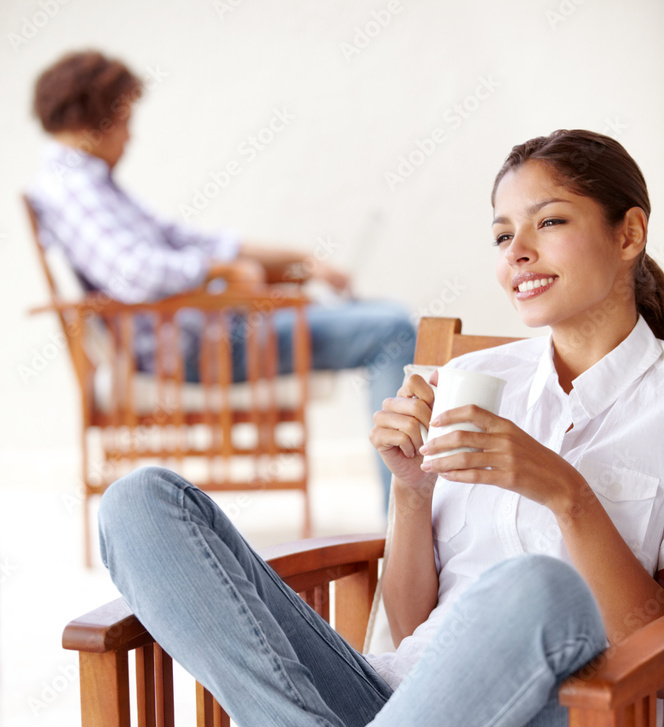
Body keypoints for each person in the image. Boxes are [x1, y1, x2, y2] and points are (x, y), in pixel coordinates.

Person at [89, 129, 664, 727]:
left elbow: (650, 637)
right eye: (502, 235)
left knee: (533, 587)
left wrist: (563, 492)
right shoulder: (474, 382)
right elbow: (407, 618)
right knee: (139, 503)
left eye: (548, 223)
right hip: (385, 717)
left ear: (629, 233)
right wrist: (409, 491)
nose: (518, 253)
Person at [27, 50, 416, 503]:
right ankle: (403, 518)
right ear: (100, 116)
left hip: (210, 331)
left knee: (384, 315)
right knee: (391, 330)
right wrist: (222, 271)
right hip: (199, 349)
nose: (131, 136)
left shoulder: (88, 180)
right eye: (126, 118)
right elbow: (135, 273)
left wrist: (301, 262)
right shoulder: (72, 186)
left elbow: (179, 237)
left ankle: (405, 510)